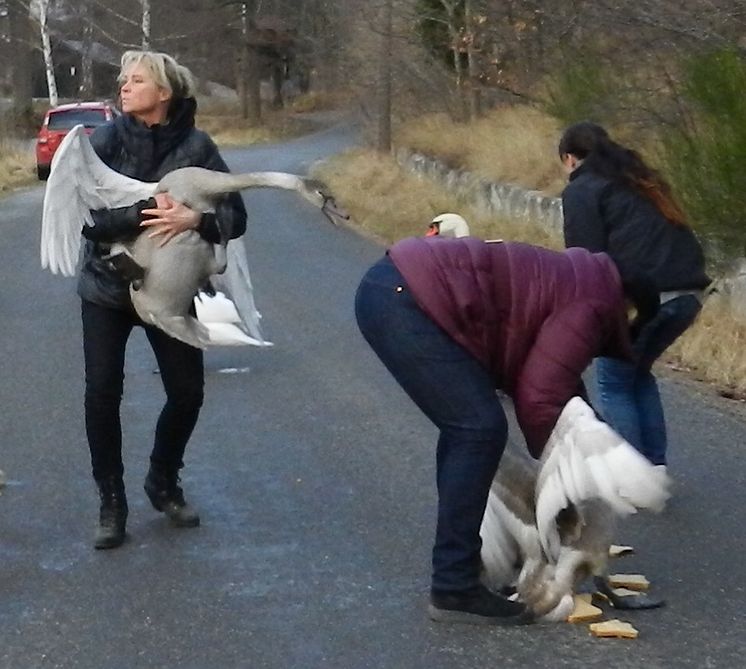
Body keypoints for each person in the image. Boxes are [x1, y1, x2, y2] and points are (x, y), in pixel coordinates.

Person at [354, 235, 637, 626]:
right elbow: (540, 401)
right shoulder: (593, 304)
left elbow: (559, 385)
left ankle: (464, 573)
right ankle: (454, 586)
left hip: (396, 290)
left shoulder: (582, 284)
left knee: (469, 430)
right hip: (403, 299)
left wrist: (580, 464)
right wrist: (564, 487)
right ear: (630, 308)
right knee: (477, 430)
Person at [79, 50, 247, 549]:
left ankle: (163, 479)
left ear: (165, 93)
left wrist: (198, 221)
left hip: (171, 291)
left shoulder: (198, 146)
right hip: (108, 287)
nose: (124, 87)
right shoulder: (105, 140)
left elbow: (237, 219)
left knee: (187, 392)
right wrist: (145, 213)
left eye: (136, 80)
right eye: (123, 80)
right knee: (103, 392)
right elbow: (88, 220)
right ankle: (112, 501)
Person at [558, 121, 711, 467]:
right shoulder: (640, 180)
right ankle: (652, 466)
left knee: (613, 380)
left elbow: (586, 260)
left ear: (569, 158)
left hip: (646, 297)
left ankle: (629, 476)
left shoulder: (583, 189)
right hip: (688, 294)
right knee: (636, 373)